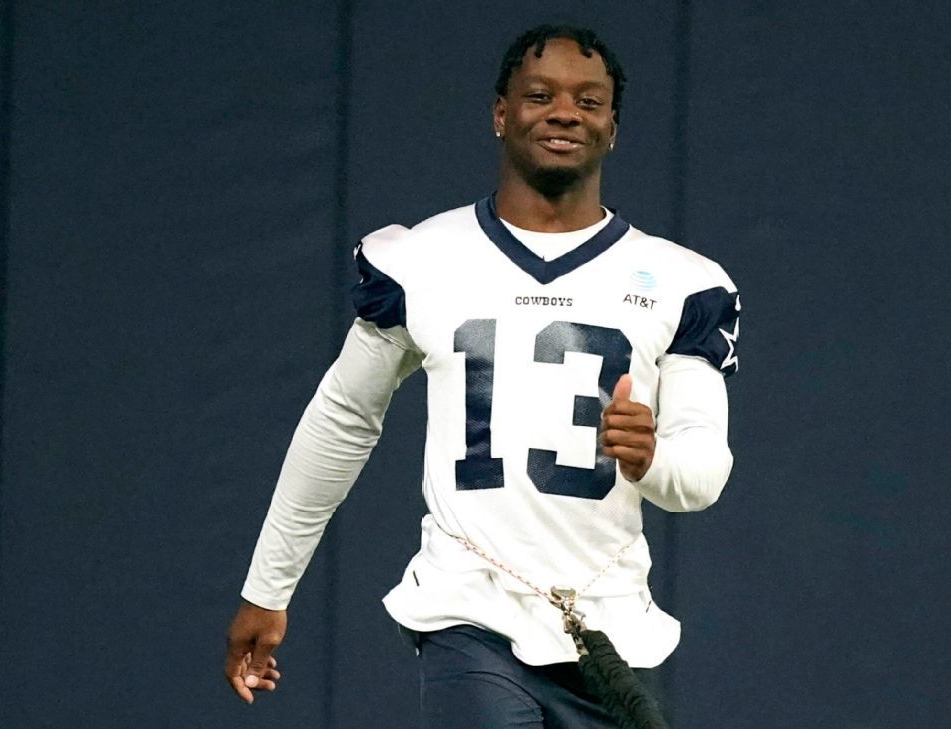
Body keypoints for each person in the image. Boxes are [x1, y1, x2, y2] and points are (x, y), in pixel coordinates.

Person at [224, 23, 740, 728]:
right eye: (540, 95)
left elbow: (704, 472)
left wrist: (653, 458)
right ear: (501, 113)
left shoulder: (683, 282)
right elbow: (341, 420)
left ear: (614, 127)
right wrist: (268, 586)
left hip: (610, 625)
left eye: (589, 101)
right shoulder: (425, 258)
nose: (564, 112)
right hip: (470, 611)